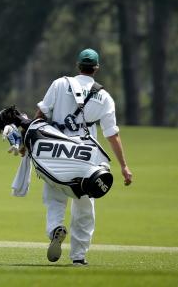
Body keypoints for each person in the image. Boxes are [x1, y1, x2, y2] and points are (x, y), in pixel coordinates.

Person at [34, 48, 133, 266]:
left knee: (54, 197)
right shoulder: (104, 97)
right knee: (85, 207)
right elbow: (112, 135)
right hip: (86, 158)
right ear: (96, 69)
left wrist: (27, 143)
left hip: (56, 153)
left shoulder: (59, 84)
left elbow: (41, 115)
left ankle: (55, 229)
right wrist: (124, 166)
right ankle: (78, 256)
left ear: (78, 65)